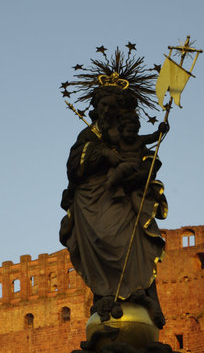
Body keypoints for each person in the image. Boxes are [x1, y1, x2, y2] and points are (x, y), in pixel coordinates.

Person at [60, 86, 167, 327]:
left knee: (135, 247)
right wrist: (104, 155)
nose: (107, 110)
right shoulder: (88, 136)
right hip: (92, 202)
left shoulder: (127, 134)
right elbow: (74, 166)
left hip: (124, 202)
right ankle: (106, 297)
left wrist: (145, 166)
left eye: (112, 106)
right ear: (96, 109)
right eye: (103, 105)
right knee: (102, 241)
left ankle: (142, 298)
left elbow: (146, 156)